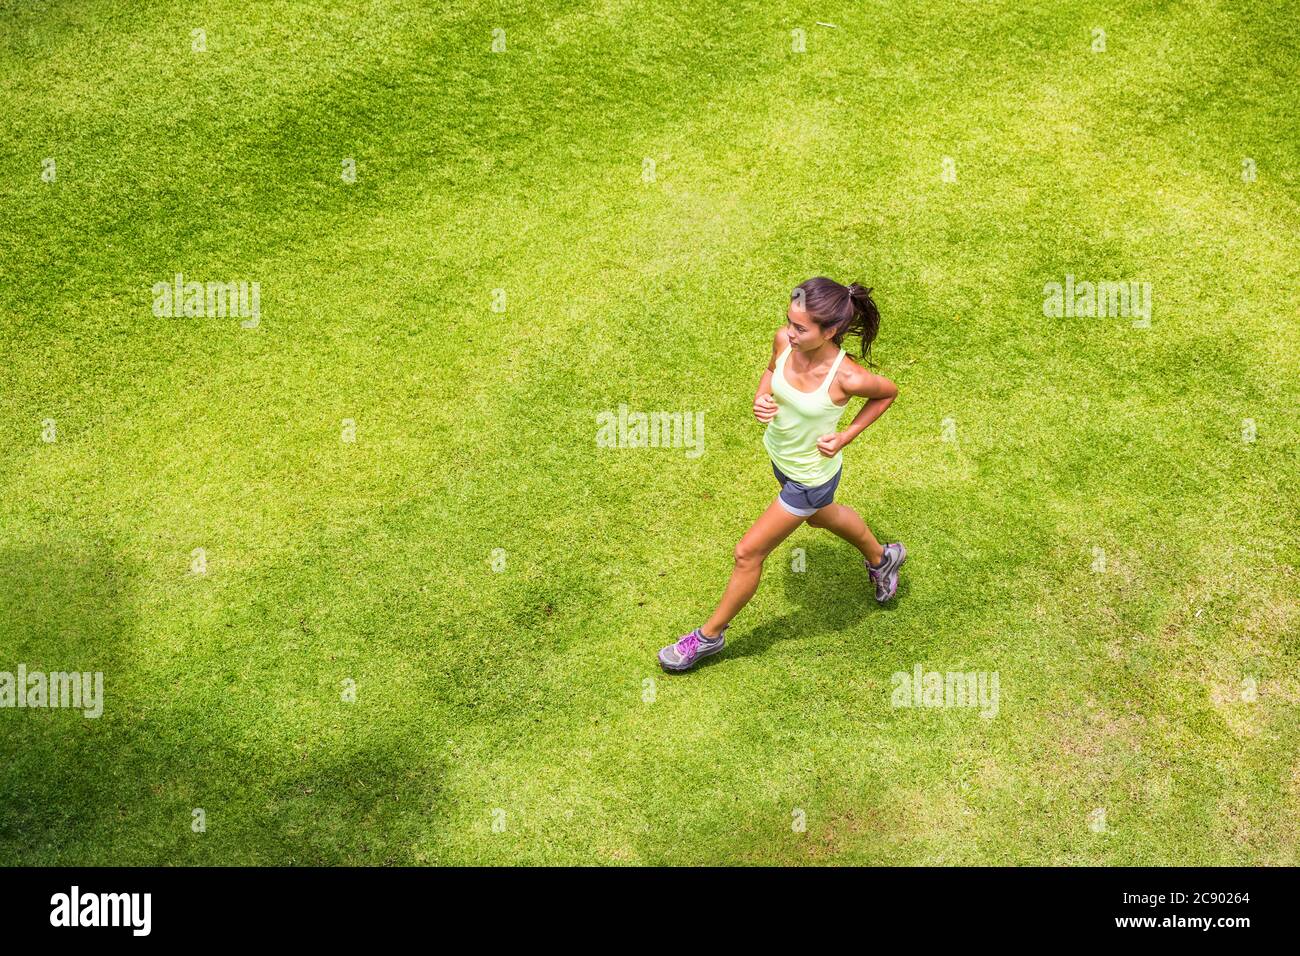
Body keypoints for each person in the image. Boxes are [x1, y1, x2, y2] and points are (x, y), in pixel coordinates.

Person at [658, 277, 906, 672]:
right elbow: (770, 372)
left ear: (832, 331)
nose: (790, 333)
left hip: (809, 477)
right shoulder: (784, 343)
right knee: (823, 518)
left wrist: (845, 436)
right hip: (780, 458)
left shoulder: (848, 378)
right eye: (789, 322)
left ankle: (708, 637)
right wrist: (762, 398)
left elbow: (887, 393)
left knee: (748, 553)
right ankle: (882, 557)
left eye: (801, 328)